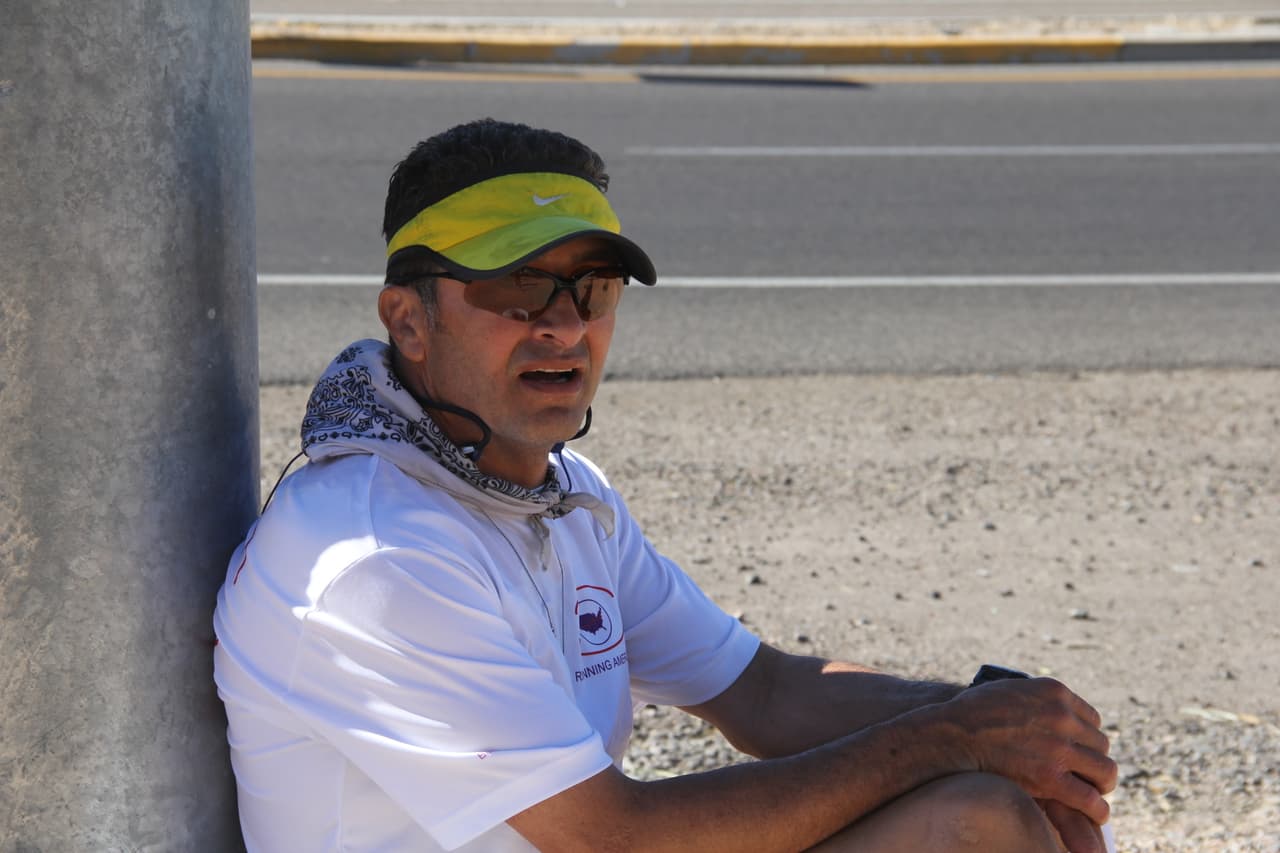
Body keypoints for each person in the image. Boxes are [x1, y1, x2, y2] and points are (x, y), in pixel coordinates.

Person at [213, 117, 1117, 852]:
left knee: (1002, 802)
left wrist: (999, 719)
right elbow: (613, 838)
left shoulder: (564, 501)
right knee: (973, 817)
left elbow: (760, 692)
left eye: (593, 289)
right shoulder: (374, 555)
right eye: (520, 290)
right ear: (408, 321)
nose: (564, 329)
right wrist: (948, 737)